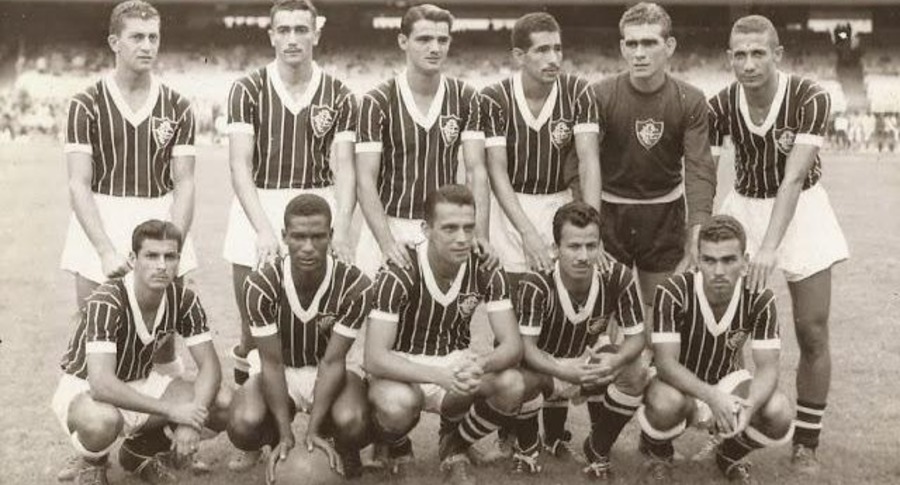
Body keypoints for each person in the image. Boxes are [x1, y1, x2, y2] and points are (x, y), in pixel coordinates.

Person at [58, 1, 198, 478]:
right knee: (96, 337)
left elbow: (185, 181)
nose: (147, 45)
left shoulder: (178, 105)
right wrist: (102, 248)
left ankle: (148, 447)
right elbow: (79, 183)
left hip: (159, 219)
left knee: (163, 342)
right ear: (114, 42)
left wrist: (175, 243)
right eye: (137, 36)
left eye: (153, 36)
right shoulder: (86, 103)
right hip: (101, 216)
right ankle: (91, 454)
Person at [708, 15, 849, 473]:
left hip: (802, 209)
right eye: (740, 55)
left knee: (812, 329)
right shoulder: (720, 104)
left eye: (758, 53)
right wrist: (701, 228)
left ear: (777, 54)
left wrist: (768, 247)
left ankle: (806, 442)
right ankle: (727, 430)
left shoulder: (810, 96)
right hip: (743, 207)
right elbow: (704, 172)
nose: (749, 64)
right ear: (729, 58)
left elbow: (792, 178)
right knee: (727, 332)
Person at [480, 11, 603, 460]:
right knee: (512, 326)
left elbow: (588, 160)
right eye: (542, 50)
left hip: (560, 207)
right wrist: (529, 235)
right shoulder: (493, 98)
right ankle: (509, 432)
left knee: (558, 324)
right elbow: (496, 172)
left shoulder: (578, 92)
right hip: (511, 213)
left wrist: (591, 224)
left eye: (558, 48)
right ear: (519, 55)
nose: (554, 58)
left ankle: (553, 433)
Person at [223, 0, 359, 386]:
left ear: (316, 34)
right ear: (271, 36)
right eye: (283, 30)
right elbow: (239, 165)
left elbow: (345, 166)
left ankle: (318, 404)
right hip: (259, 202)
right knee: (254, 331)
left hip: (317, 206)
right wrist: (263, 229)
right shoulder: (247, 88)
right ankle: (250, 396)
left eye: (301, 29)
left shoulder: (339, 93)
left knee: (317, 324)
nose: (292, 38)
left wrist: (343, 226)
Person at [364, 185, 524, 485]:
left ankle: (455, 445)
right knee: (395, 403)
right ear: (426, 229)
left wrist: (480, 364)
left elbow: (512, 345)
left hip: (454, 361)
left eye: (468, 228)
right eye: (450, 228)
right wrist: (439, 376)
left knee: (512, 383)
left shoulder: (486, 265)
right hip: (403, 368)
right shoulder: (400, 269)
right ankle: (399, 447)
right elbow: (374, 358)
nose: (462, 238)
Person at [51, 220, 229, 485]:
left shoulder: (184, 300)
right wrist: (173, 411)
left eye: (170, 256)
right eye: (151, 256)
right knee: (102, 421)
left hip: (139, 383)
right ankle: (92, 462)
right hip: (86, 390)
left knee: (223, 402)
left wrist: (191, 420)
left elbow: (210, 368)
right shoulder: (107, 300)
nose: (161, 265)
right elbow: (101, 385)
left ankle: (141, 451)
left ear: (178, 260)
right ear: (133, 259)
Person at [583, 2, 717, 345]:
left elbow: (700, 168)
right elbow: (582, 164)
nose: (639, 53)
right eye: (632, 43)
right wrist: (590, 226)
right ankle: (609, 377)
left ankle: (657, 377)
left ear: (669, 46)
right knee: (603, 323)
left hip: (663, 214)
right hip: (609, 212)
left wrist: (697, 230)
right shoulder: (600, 95)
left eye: (649, 43)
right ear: (622, 47)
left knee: (663, 318)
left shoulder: (690, 99)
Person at [637, 215, 793, 483]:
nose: (719, 271)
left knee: (779, 411)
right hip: (677, 385)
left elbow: (768, 368)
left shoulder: (760, 297)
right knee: (666, 403)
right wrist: (711, 397)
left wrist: (749, 407)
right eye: (709, 260)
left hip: (728, 381)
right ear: (698, 259)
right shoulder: (673, 291)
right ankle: (659, 453)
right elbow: (665, 364)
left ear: (745, 261)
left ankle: (729, 455)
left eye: (729, 260)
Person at [225, 194, 372, 479]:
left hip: (331, 369)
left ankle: (338, 441)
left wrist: (312, 430)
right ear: (284, 236)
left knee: (354, 421)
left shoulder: (356, 285)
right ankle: (276, 443)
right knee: (243, 423)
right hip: (281, 369)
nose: (308, 247)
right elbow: (271, 363)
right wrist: (285, 433)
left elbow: (333, 362)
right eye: (299, 237)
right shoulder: (260, 284)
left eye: (317, 237)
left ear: (330, 236)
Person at [356, 4, 492, 278]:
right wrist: (386, 242)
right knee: (379, 305)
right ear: (403, 41)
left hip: (444, 228)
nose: (435, 48)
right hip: (390, 225)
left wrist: (480, 234)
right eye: (424, 39)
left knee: (445, 305)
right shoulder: (376, 101)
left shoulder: (466, 98)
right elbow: (365, 179)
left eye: (442, 40)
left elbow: (476, 171)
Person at [512, 202, 646, 479]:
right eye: (574, 246)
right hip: (545, 366)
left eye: (591, 246)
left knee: (636, 371)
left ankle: (597, 448)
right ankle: (527, 449)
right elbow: (525, 349)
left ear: (600, 246)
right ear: (556, 248)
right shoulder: (536, 283)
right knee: (518, 377)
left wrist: (616, 360)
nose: (583, 256)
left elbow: (637, 338)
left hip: (588, 360)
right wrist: (563, 371)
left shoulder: (617, 276)